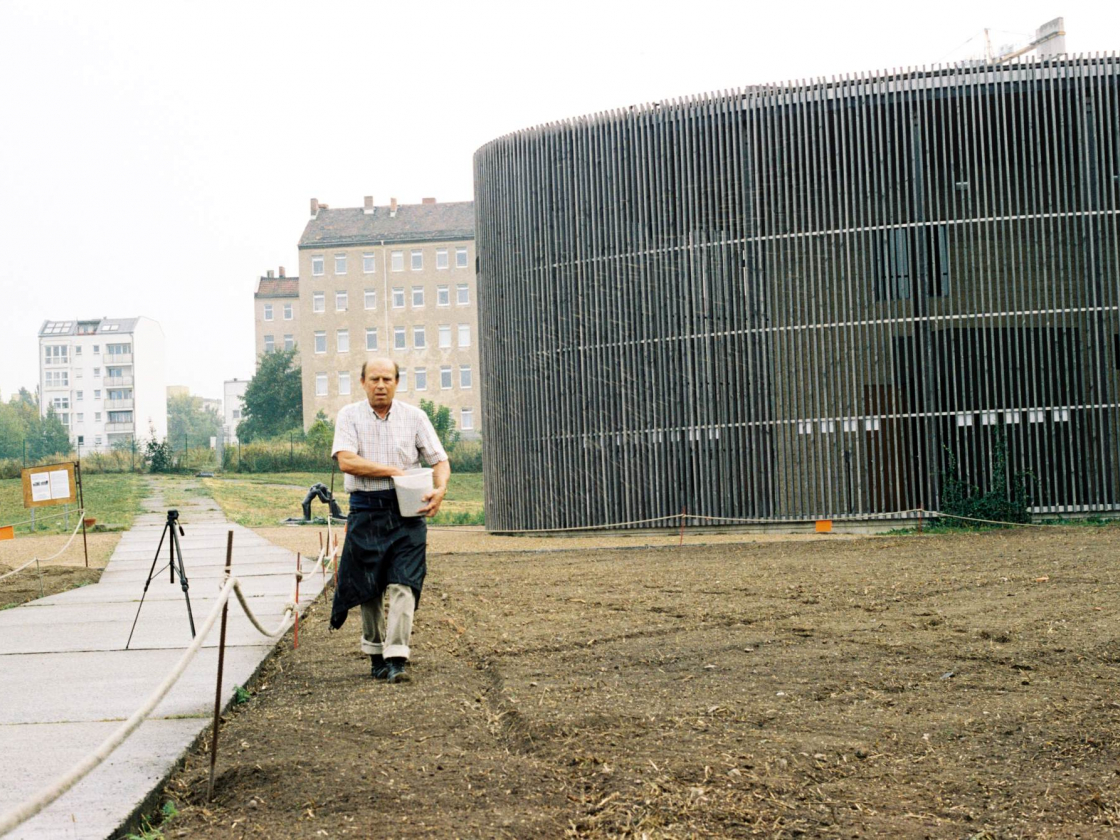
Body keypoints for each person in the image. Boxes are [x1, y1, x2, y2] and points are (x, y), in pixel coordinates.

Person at [329, 357, 450, 684]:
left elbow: (439, 459)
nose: (380, 385)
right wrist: (394, 471)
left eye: (387, 379)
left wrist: (440, 490)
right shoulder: (349, 416)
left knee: (403, 583)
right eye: (374, 379)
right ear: (362, 381)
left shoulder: (415, 417)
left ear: (397, 382)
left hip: (407, 512)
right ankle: (375, 656)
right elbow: (346, 460)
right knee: (368, 587)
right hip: (366, 509)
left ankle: (397, 658)